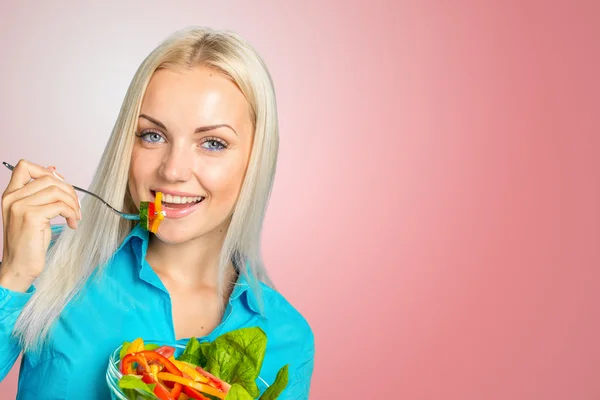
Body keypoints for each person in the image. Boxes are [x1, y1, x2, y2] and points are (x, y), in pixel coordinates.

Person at [0, 27, 314, 399]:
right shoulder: (52, 269)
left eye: (212, 143)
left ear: (255, 161)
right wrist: (15, 274)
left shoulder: (286, 337)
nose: (173, 170)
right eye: (153, 135)